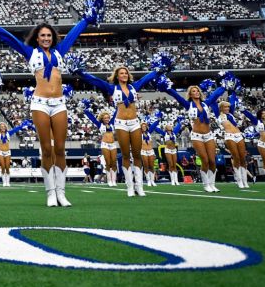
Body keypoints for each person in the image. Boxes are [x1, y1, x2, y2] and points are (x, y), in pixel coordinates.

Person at [0, 0, 104, 207]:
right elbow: (8, 38)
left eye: (49, 35)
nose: (46, 38)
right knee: (46, 148)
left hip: (59, 103)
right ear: (37, 38)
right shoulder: (31, 53)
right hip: (39, 103)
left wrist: (87, 18)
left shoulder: (60, 51)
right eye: (43, 36)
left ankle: (61, 192)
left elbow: (75, 33)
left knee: (60, 148)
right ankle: (50, 192)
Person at [72, 52, 167, 198]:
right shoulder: (112, 88)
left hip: (135, 122)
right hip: (121, 124)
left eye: (126, 73)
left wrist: (159, 69)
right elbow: (95, 80)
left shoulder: (135, 86)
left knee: (136, 155)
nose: (124, 75)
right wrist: (80, 73)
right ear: (117, 76)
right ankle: (129, 187)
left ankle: (139, 186)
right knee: (126, 155)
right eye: (121, 73)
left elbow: (148, 77)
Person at [157, 73, 231, 193]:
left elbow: (216, 94)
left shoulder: (206, 103)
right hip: (197, 136)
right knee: (205, 160)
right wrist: (167, 88)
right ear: (190, 94)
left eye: (197, 91)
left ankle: (212, 184)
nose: (196, 92)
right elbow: (176, 95)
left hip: (209, 135)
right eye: (193, 91)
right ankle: (206, 184)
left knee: (212, 160)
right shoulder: (188, 104)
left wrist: (225, 84)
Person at [81, 103, 119, 190]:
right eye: (105, 118)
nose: (107, 119)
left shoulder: (112, 123)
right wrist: (86, 111)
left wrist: (118, 107)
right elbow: (92, 118)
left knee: (114, 162)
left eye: (108, 117)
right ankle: (109, 181)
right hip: (105, 144)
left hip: (113, 144)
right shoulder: (100, 125)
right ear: (102, 119)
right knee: (108, 162)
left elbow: (116, 115)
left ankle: (114, 180)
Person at [0, 120, 34, 187]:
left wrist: (23, 125)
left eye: (4, 126)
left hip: (7, 152)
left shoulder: (9, 133)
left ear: (6, 127)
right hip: (0, 152)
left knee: (7, 167)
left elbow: (16, 129)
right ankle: (4, 182)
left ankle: (8, 182)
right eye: (1, 126)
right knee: (3, 167)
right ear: (0, 128)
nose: (3, 127)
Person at [159, 118, 184, 185]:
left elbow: (178, 126)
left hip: (174, 150)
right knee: (170, 164)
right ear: (166, 128)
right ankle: (172, 180)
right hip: (168, 150)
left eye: (170, 125)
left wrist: (180, 121)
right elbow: (157, 129)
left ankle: (176, 180)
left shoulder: (174, 132)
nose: (170, 126)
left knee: (174, 164)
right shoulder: (164, 133)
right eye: (168, 126)